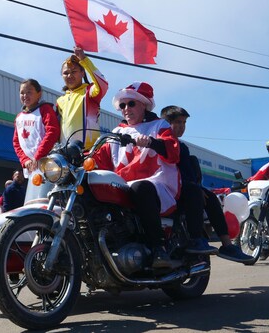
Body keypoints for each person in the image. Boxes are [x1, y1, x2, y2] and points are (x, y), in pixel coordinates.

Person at [92, 82, 179, 269]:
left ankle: (158, 248)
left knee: (140, 187)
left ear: (144, 104)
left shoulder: (159, 125)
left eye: (131, 104)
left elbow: (173, 151)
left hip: (156, 180)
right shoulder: (117, 132)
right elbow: (100, 158)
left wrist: (152, 143)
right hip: (123, 183)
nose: (125, 109)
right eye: (122, 105)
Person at [160, 106, 253, 262]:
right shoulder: (160, 143)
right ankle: (197, 239)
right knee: (199, 193)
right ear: (165, 124)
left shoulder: (182, 146)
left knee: (210, 197)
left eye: (184, 122)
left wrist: (195, 187)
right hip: (167, 187)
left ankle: (227, 245)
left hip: (183, 187)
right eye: (177, 122)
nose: (182, 126)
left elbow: (187, 171)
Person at [13, 78, 60, 202]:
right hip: (31, 168)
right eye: (22, 93)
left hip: (48, 167)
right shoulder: (19, 117)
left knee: (48, 201)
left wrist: (38, 156)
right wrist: (25, 160)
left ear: (39, 94)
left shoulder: (45, 109)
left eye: (29, 92)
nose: (25, 95)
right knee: (32, 202)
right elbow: (16, 142)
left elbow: (52, 131)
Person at [56, 46, 108, 150]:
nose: (69, 75)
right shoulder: (59, 101)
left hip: (88, 153)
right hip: (65, 156)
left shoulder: (90, 92)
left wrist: (84, 59)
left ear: (82, 73)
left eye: (74, 71)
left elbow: (103, 84)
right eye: (66, 73)